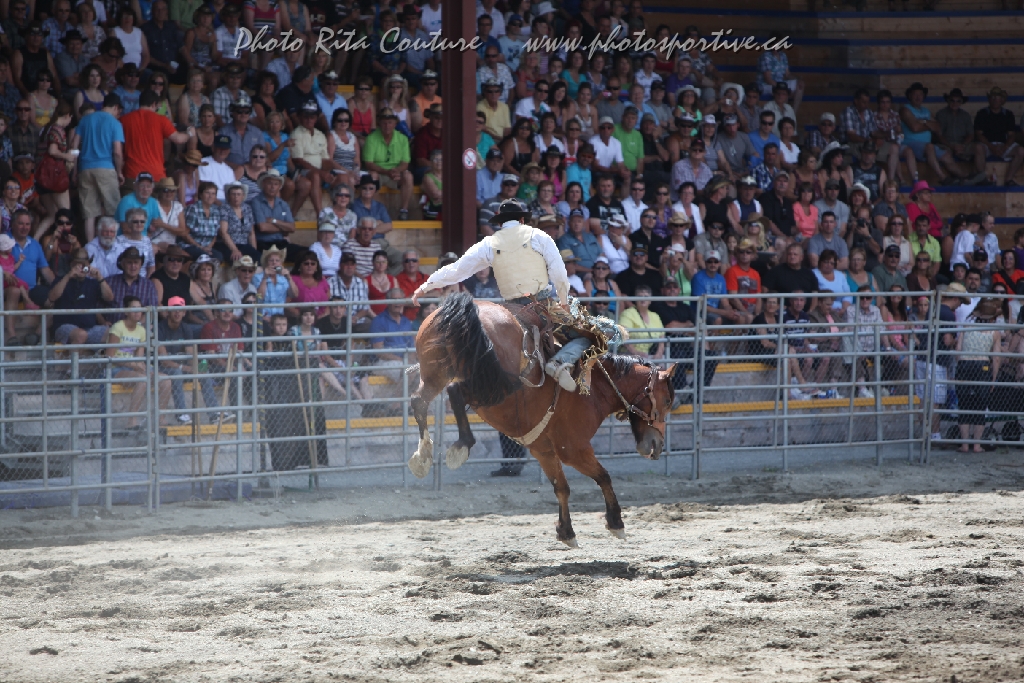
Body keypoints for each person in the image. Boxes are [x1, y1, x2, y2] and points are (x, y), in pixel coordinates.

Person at [411, 199, 593, 392]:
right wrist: (564, 302)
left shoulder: (489, 243)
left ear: (500, 223)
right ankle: (559, 362)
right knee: (590, 335)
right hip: (540, 304)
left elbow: (457, 270)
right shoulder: (539, 236)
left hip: (511, 308)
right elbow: (559, 274)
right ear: (522, 220)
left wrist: (425, 286)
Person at [107, 295, 171, 430]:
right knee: (142, 380)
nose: (137, 312)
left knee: (166, 380)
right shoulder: (117, 327)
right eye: (133, 309)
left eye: (139, 309)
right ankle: (132, 420)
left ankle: (160, 418)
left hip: (134, 368)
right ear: (126, 311)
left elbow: (139, 356)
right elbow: (110, 356)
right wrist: (132, 365)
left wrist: (141, 366)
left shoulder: (142, 330)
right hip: (117, 368)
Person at [76, 93, 124, 241]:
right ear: (116, 107)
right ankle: (113, 244)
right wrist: (119, 172)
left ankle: (90, 246)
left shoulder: (85, 119)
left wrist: (74, 170)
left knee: (89, 214)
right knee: (113, 210)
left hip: (85, 168)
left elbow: (74, 146)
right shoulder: (115, 123)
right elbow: (117, 152)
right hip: (106, 168)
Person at [956, 299, 1001, 452]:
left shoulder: (967, 327)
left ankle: (964, 444)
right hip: (983, 366)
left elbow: (958, 350)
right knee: (980, 405)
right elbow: (996, 358)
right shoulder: (994, 333)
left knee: (964, 404)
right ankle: (976, 445)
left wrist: (960, 365)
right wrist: (993, 378)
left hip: (964, 364)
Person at [47, 246, 114, 345]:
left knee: (114, 333)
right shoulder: (61, 280)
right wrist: (69, 276)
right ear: (71, 264)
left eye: (84, 264)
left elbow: (110, 298)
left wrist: (99, 277)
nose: (81, 268)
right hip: (64, 328)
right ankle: (75, 355)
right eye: (77, 264)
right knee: (81, 335)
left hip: (90, 328)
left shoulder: (93, 283)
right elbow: (52, 297)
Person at [104, 247, 157, 323]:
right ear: (122, 264)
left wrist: (137, 326)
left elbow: (151, 311)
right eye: (129, 262)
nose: (133, 266)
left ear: (141, 264)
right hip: (112, 328)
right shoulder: (109, 282)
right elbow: (97, 306)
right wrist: (103, 322)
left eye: (136, 262)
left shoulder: (149, 285)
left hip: (139, 328)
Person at [328, 253, 374, 333]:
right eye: (346, 264)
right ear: (340, 265)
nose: (349, 267)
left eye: (352, 264)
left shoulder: (361, 283)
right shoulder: (329, 283)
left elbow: (365, 308)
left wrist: (356, 318)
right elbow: (327, 308)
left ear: (355, 266)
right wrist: (346, 319)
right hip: (337, 320)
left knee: (372, 325)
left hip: (358, 321)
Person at [620, 284, 663, 358]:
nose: (643, 299)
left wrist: (659, 354)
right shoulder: (628, 313)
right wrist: (635, 352)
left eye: (646, 297)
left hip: (648, 354)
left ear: (650, 300)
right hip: (628, 354)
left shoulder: (655, 316)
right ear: (635, 299)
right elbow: (622, 334)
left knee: (670, 363)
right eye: (640, 296)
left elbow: (662, 337)